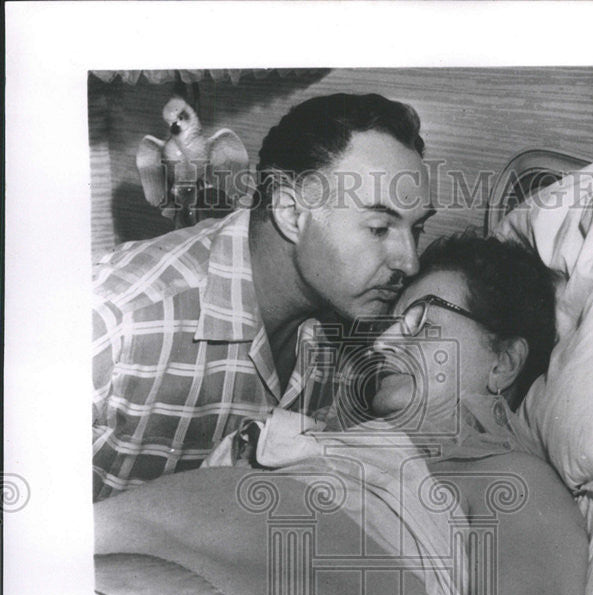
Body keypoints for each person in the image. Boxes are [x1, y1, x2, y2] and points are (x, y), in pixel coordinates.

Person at [94, 233, 588, 595]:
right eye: (389, 325)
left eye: (423, 325)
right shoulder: (322, 435)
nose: (382, 346)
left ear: (503, 362)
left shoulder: (509, 478)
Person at [92, 93, 433, 500]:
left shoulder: (352, 327)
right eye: (379, 228)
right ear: (291, 213)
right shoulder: (118, 318)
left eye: (416, 231)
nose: (410, 263)